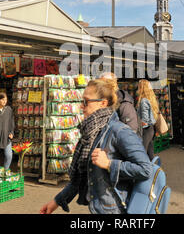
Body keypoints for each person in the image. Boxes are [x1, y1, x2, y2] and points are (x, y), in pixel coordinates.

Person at [39, 79, 152, 214]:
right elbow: (81, 177)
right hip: (99, 209)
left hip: (116, 210)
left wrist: (110, 164)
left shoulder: (120, 131)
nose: (81, 106)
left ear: (103, 103)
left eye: (86, 102)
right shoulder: (92, 132)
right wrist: (57, 201)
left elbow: (146, 169)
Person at [99, 72, 140, 137]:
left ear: (110, 85)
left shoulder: (124, 102)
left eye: (101, 84)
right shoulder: (106, 100)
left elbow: (131, 130)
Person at [136, 79, 159, 160]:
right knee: (150, 152)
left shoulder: (143, 101)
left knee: (143, 151)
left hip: (146, 129)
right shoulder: (150, 99)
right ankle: (154, 170)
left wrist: (139, 127)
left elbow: (145, 120)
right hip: (151, 129)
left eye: (138, 86)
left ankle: (145, 170)